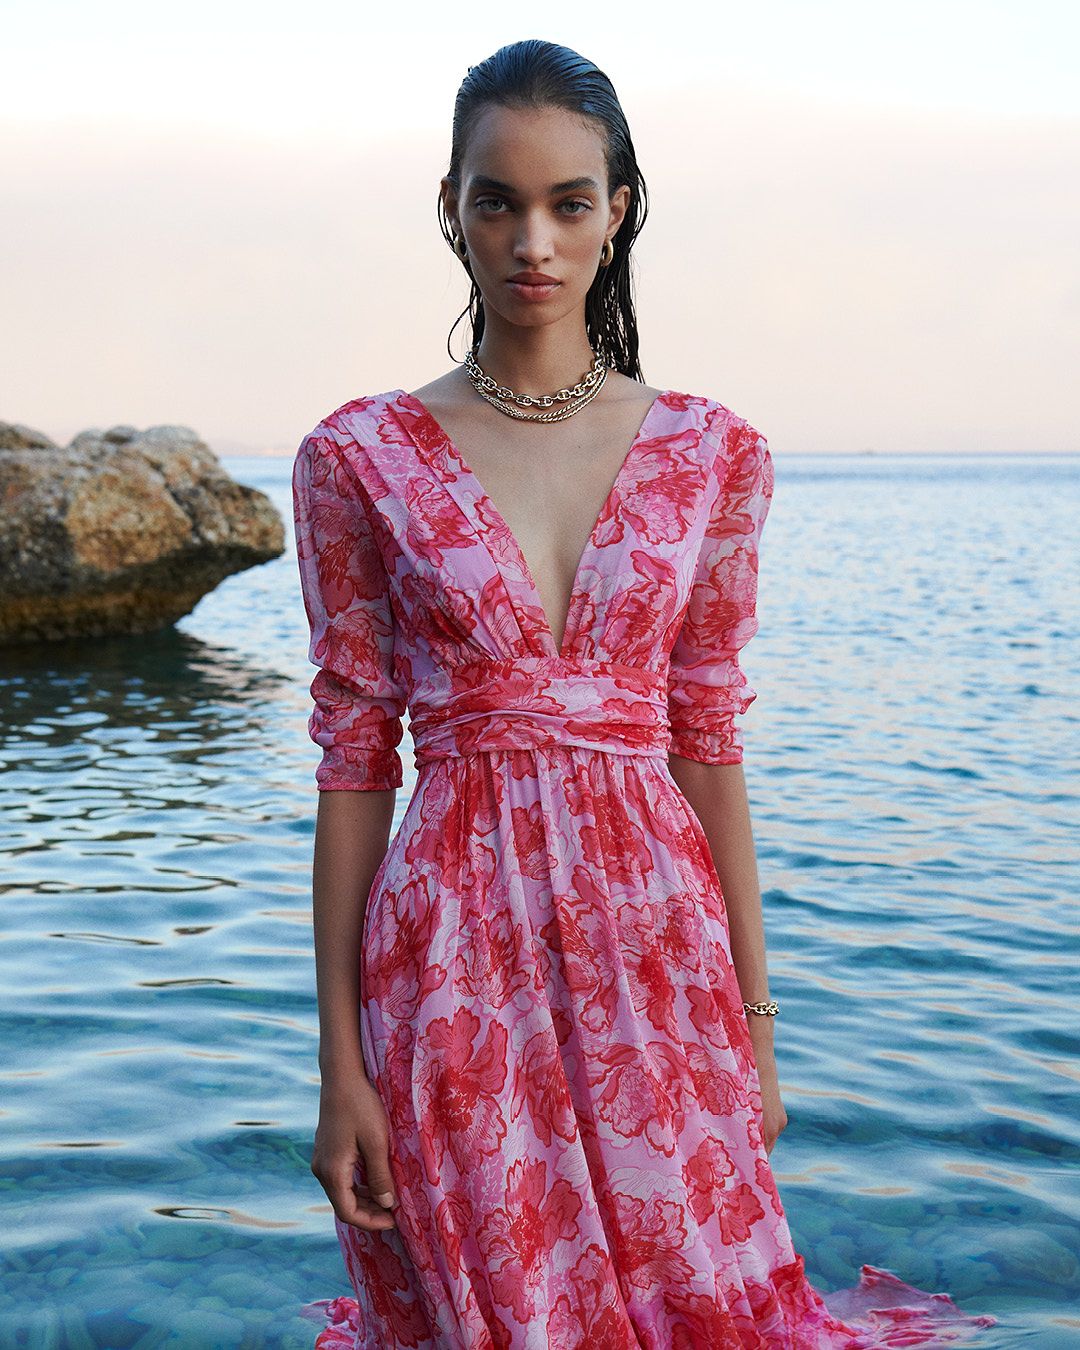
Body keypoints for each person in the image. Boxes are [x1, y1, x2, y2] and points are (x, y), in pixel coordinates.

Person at [292, 38, 997, 1350]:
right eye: (497, 199)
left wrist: (758, 1024)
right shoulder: (358, 457)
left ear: (617, 212)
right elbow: (351, 765)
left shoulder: (710, 453)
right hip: (452, 963)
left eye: (570, 201)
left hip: (660, 964)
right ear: (451, 206)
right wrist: (340, 1069)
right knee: (505, 1313)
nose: (533, 240)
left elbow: (709, 745)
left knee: (709, 1306)